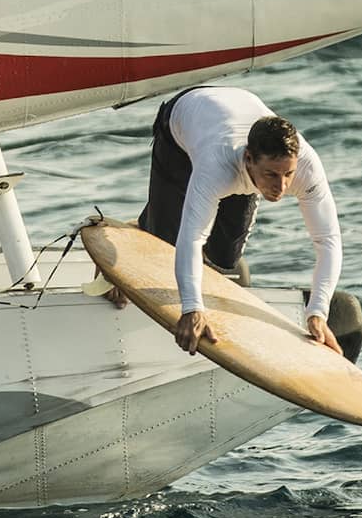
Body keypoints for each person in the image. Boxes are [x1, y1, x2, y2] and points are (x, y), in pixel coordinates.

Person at [125, 85, 344, 357]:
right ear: (248, 158)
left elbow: (327, 241)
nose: (282, 186)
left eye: (288, 173)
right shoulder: (216, 166)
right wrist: (192, 308)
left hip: (239, 112)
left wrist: (318, 312)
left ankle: (172, 225)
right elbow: (193, 237)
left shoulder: (307, 168)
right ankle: (146, 224)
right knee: (165, 242)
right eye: (272, 175)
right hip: (182, 123)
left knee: (225, 258)